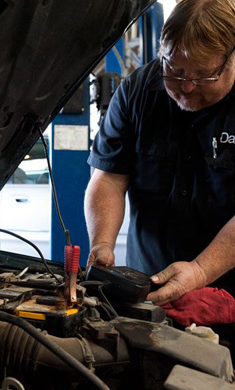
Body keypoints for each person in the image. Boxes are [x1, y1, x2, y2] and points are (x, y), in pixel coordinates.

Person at [84, 0, 235, 306]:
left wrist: (200, 270)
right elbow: (109, 178)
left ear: (231, 60)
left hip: (226, 299)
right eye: (175, 70)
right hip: (146, 294)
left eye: (203, 75)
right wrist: (102, 242)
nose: (187, 87)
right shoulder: (137, 91)